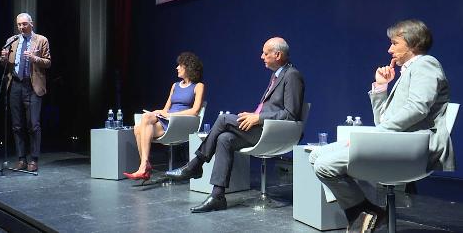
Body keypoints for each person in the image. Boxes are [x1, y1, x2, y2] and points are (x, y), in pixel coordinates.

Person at [309, 19, 455, 233]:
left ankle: (363, 212)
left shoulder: (426, 64)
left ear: (412, 43)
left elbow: (417, 109)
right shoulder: (408, 71)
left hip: (415, 146)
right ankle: (366, 211)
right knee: (316, 155)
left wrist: (375, 136)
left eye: (395, 43)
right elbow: (384, 121)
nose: (389, 49)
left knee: (324, 165)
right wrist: (381, 86)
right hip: (397, 141)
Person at [165, 37, 305, 213]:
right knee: (224, 138)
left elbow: (291, 114)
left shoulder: (292, 75)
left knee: (223, 120)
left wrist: (258, 118)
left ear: (277, 55)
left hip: (273, 132)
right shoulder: (276, 76)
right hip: (263, 129)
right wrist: (255, 116)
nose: (262, 56)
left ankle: (195, 164)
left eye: (265, 53)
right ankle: (217, 196)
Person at [123, 52, 205, 181]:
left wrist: (170, 114)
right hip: (167, 120)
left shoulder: (198, 86)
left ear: (188, 67)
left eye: (180, 65)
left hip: (179, 123)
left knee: (139, 129)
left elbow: (195, 111)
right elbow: (166, 109)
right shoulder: (175, 86)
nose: (177, 68)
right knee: (142, 121)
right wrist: (158, 112)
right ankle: (144, 165)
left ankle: (144, 166)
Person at [0, 13, 51, 172]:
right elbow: (5, 65)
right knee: (16, 125)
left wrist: (35, 58)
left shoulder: (41, 40)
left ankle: (34, 160)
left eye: (24, 24)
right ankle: (21, 159)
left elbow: (48, 62)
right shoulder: (11, 41)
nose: (21, 27)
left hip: (32, 85)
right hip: (15, 84)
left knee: (33, 125)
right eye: (19, 24)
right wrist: (3, 59)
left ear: (31, 24)